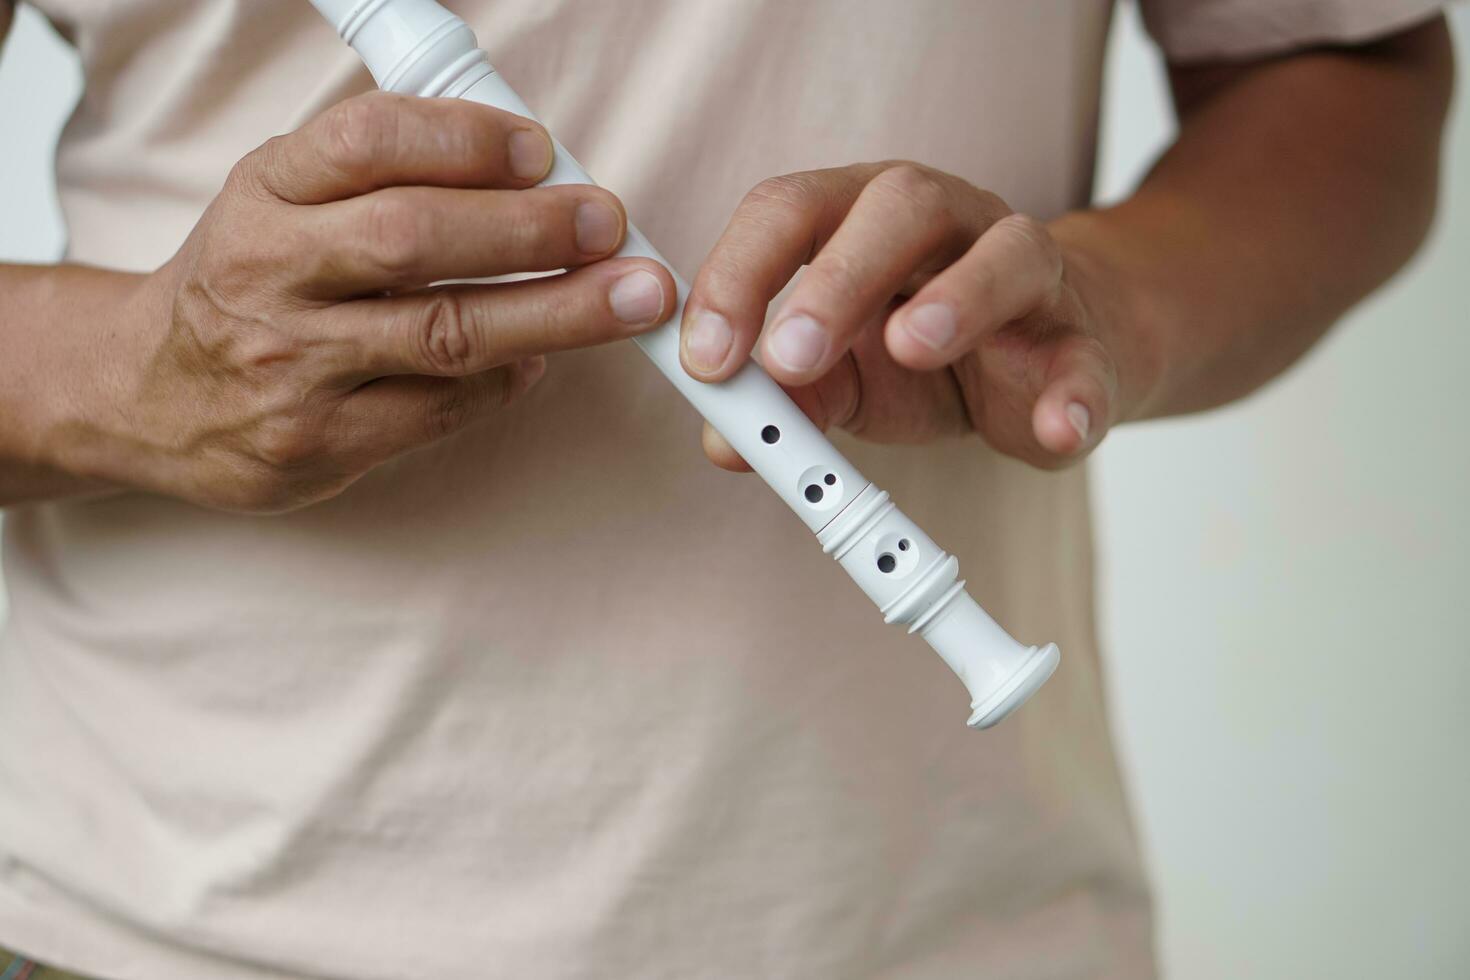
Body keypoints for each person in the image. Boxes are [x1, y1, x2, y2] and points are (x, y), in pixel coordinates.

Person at [0, 0, 1453, 977]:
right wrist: (128, 371)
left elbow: (1343, 62)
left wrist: (1110, 315)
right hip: (170, 932)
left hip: (958, 926)